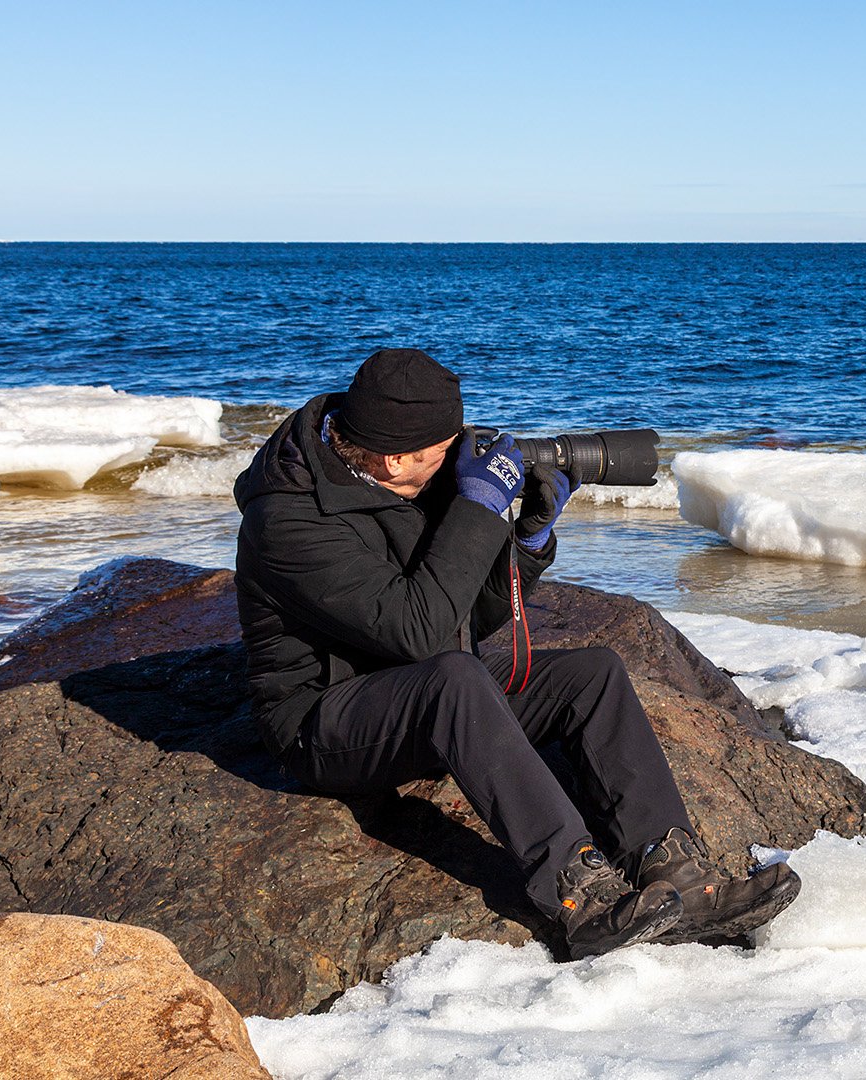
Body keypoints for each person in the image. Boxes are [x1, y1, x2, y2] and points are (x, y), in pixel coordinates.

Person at [233, 348, 799, 959]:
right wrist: (476, 510)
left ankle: (676, 872)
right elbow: (419, 633)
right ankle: (581, 898)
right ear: (395, 457)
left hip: (433, 691)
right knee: (451, 677)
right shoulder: (288, 519)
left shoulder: (406, 479)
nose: (454, 460)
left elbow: (464, 614)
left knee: (592, 673)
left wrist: (527, 540)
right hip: (326, 722)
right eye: (443, 450)